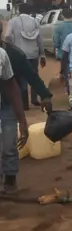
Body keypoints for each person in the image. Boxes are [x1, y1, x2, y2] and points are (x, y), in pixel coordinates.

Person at [0, 22, 52, 194]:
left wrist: (44, 95)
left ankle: (10, 180)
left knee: (9, 143)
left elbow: (30, 76)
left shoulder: (12, 55)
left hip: (8, 104)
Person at [4, 3, 46, 110]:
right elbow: (40, 40)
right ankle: (34, 99)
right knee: (33, 76)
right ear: (30, 11)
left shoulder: (13, 21)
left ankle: (24, 104)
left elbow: (7, 36)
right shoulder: (35, 22)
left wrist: (12, 46)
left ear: (19, 10)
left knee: (21, 79)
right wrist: (42, 55)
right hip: (33, 54)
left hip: (19, 55)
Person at [53, 7, 72, 94]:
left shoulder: (58, 28)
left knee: (66, 72)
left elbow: (56, 42)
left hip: (63, 54)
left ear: (62, 15)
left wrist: (58, 47)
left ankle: (69, 90)